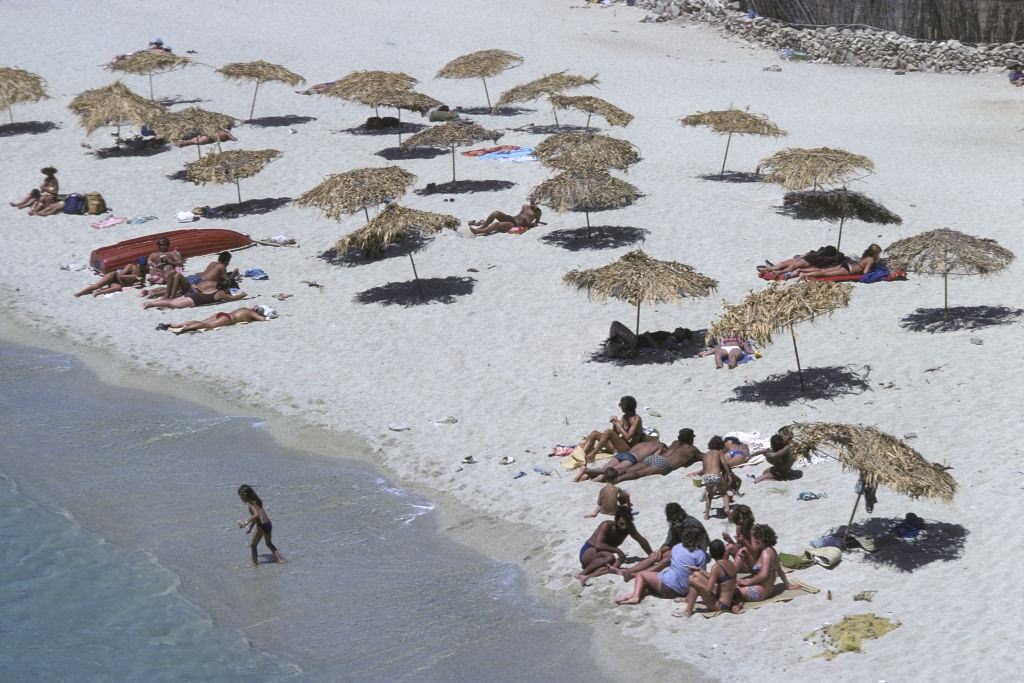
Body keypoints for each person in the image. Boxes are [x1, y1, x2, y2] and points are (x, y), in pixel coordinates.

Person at [614, 526, 706, 605]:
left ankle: (635, 596)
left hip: (668, 586)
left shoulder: (677, 547)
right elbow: (701, 576)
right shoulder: (701, 554)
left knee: (641, 574)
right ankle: (630, 596)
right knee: (647, 586)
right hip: (683, 591)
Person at [619, 503, 709, 581]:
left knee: (667, 560)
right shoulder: (675, 524)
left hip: (694, 551)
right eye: (671, 520)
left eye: (674, 519)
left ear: (680, 514)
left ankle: (635, 575)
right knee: (657, 556)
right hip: (682, 548)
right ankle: (629, 570)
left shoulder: (692, 524)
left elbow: (698, 546)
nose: (673, 522)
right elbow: (670, 542)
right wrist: (660, 550)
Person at [576, 506, 652, 585]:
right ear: (616, 520)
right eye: (621, 524)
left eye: (627, 524)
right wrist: (618, 551)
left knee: (614, 565)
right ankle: (582, 573)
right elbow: (598, 545)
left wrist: (651, 555)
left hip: (601, 555)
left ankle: (587, 576)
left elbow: (641, 540)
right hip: (589, 550)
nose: (624, 527)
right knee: (609, 557)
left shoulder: (629, 527)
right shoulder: (607, 525)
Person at [677, 539, 740, 617]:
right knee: (696, 574)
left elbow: (708, 591)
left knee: (694, 580)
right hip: (728, 602)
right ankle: (687, 599)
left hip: (720, 605)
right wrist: (701, 570)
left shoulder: (716, 567)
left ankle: (688, 611)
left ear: (711, 554)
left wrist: (693, 583)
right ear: (723, 551)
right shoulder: (730, 563)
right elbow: (719, 579)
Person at [614, 428, 702, 482]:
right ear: (690, 438)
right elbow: (704, 456)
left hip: (655, 457)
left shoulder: (675, 442)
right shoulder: (692, 449)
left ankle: (613, 473)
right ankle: (618, 479)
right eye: (692, 438)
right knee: (638, 473)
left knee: (630, 469)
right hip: (664, 464)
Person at [736, 524, 794, 606]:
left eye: (757, 538)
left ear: (764, 538)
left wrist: (747, 582)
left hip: (758, 592)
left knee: (731, 591)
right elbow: (779, 571)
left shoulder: (766, 553)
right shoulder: (772, 550)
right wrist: (787, 585)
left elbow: (764, 574)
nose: (755, 541)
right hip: (767, 591)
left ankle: (736, 604)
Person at [580, 396, 644, 464]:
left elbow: (628, 437)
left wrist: (618, 425)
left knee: (608, 431)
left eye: (620, 404)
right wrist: (614, 423)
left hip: (628, 449)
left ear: (626, 407)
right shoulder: (625, 416)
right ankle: (583, 454)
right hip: (619, 446)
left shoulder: (636, 419)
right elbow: (616, 434)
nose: (620, 406)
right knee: (594, 433)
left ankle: (593, 454)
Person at [573, 439, 664, 482]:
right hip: (632, 458)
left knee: (604, 468)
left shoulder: (644, 442)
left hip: (623, 454)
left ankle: (584, 477)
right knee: (612, 472)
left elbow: (633, 448)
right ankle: (589, 472)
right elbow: (654, 458)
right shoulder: (659, 447)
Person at [237, 484, 284, 565]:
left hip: (261, 525)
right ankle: (280, 560)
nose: (241, 499)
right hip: (268, 524)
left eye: (241, 497)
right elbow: (256, 518)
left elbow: (256, 515)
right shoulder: (257, 501)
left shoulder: (250, 503)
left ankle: (254, 563)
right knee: (269, 544)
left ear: (244, 495)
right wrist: (250, 528)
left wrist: (246, 522)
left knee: (253, 546)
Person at [142, 276, 247, 310]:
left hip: (193, 295)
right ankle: (150, 304)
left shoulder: (212, 288)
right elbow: (232, 299)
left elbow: (202, 291)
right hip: (194, 300)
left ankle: (153, 302)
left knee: (172, 302)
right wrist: (241, 295)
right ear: (226, 288)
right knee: (171, 304)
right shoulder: (220, 293)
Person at [157, 305, 271, 333]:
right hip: (228, 319)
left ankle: (174, 325)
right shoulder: (251, 313)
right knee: (208, 326)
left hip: (222, 313)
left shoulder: (245, 308)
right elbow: (262, 319)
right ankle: (186, 328)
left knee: (201, 322)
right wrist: (266, 317)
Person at [798, 243, 882, 279]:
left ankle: (803, 271)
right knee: (824, 274)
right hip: (849, 270)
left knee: (823, 270)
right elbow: (865, 272)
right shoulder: (871, 259)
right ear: (875, 253)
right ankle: (804, 275)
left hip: (847, 264)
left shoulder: (866, 255)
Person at [75, 257, 148, 297]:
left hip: (120, 283)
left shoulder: (143, 271)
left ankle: (99, 293)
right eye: (140, 266)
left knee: (118, 288)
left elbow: (142, 282)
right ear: (137, 264)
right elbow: (121, 275)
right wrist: (131, 276)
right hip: (114, 276)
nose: (141, 268)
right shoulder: (130, 266)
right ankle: (81, 292)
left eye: (142, 266)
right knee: (97, 285)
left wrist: (141, 281)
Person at [701, 436, 733, 520]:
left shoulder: (705, 455)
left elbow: (704, 468)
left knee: (709, 495)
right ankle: (727, 508)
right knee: (723, 493)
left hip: (706, 476)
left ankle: (707, 515)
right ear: (720, 445)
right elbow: (724, 463)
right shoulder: (719, 452)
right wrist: (728, 474)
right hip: (716, 475)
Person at [758, 245, 843, 275]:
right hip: (807, 259)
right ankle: (770, 269)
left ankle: (772, 270)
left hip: (807, 258)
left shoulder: (819, 253)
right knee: (786, 264)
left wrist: (799, 257)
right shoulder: (826, 257)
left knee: (790, 265)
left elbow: (809, 253)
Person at [469, 203, 543, 235]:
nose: (534, 203)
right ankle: (483, 226)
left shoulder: (538, 212)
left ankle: (477, 232)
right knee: (496, 213)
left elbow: (536, 223)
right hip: (511, 218)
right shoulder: (525, 206)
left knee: (496, 224)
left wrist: (529, 224)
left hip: (514, 224)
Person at [722, 504, 756, 572]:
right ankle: (722, 570)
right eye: (739, 518)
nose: (741, 521)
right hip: (743, 560)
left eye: (743, 518)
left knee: (743, 550)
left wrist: (744, 542)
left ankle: (730, 576)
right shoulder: (739, 528)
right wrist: (730, 540)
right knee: (729, 546)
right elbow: (738, 546)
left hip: (753, 563)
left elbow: (755, 552)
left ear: (748, 518)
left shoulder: (752, 530)